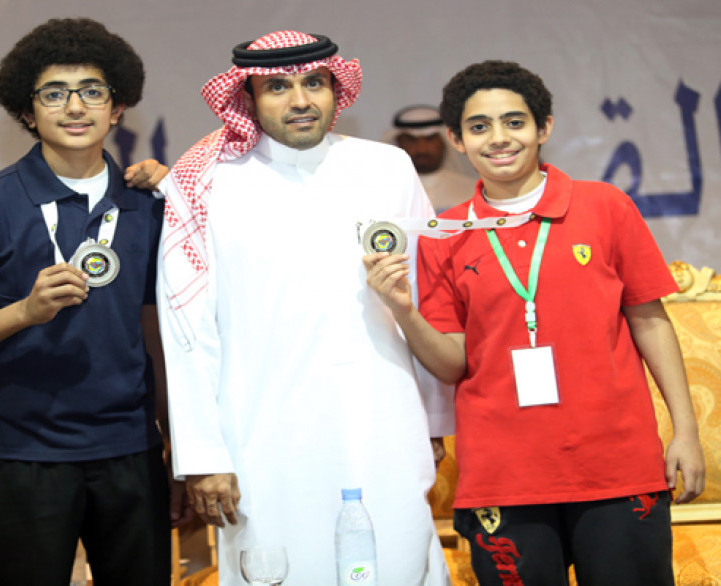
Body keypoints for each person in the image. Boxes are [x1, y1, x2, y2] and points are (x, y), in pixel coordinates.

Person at [364, 60, 705, 585]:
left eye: (515, 122)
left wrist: (685, 432)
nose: (499, 138)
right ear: (457, 139)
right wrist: (404, 310)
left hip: (617, 468)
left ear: (544, 127)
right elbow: (452, 364)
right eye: (479, 126)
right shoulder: (444, 233)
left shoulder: (605, 206)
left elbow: (651, 321)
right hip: (503, 477)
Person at [157, 30, 453, 586]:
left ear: (336, 90)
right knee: (280, 566)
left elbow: (428, 298)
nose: (300, 101)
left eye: (314, 83)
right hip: (262, 436)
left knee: (399, 560)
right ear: (247, 98)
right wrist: (203, 455)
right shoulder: (206, 183)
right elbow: (187, 331)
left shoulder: (387, 167)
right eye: (278, 87)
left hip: (383, 421)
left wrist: (434, 419)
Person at [0, 18, 173, 586]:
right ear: (27, 112)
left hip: (131, 450)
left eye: (92, 91)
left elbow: (157, 337)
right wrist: (24, 312)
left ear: (118, 108)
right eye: (54, 94)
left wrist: (176, 444)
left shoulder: (148, 205)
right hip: (24, 455)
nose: (75, 107)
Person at [384, 104, 477, 212]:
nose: (421, 148)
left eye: (430, 139)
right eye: (411, 140)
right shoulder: (381, 191)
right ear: (399, 143)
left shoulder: (474, 191)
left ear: (444, 142)